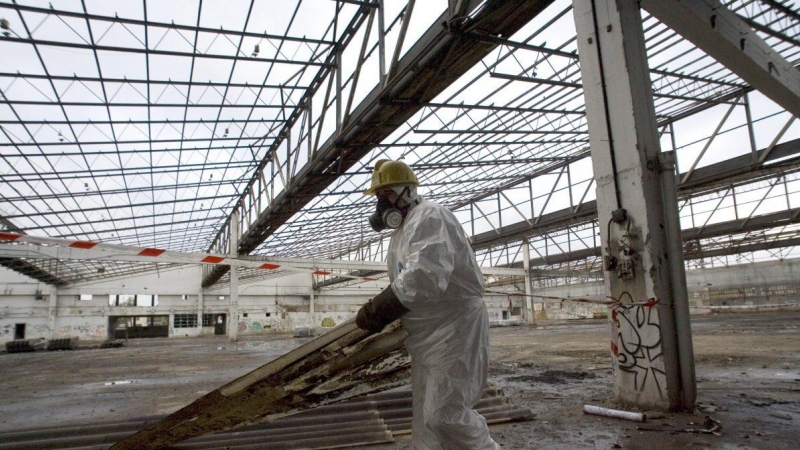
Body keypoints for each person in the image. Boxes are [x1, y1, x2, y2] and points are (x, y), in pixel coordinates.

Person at [356, 159, 499, 450]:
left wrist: (379, 310)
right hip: (425, 336)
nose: (382, 204)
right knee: (425, 415)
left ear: (407, 191)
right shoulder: (402, 233)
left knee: (444, 414)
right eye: (379, 197)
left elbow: (424, 277)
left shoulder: (430, 216)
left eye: (387, 195)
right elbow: (405, 279)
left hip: (453, 331)